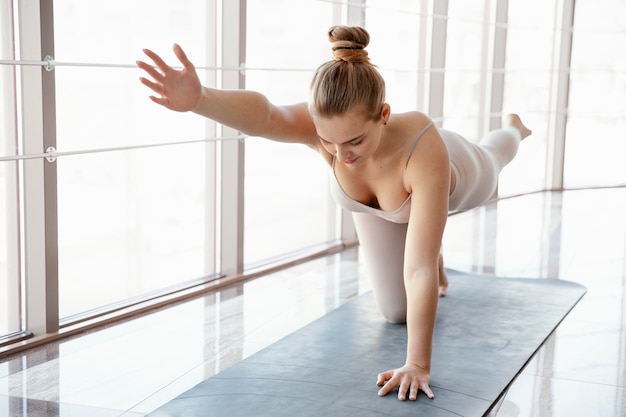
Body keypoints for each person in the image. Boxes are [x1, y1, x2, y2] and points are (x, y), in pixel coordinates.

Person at [137, 25, 532, 402]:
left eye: (355, 141)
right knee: (397, 312)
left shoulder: (423, 148)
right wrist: (201, 99)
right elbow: (268, 116)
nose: (341, 156)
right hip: (384, 206)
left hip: (455, 171)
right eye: (328, 141)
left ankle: (513, 129)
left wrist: (417, 364)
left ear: (384, 114)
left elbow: (419, 270)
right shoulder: (330, 132)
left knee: (495, 158)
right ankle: (423, 228)